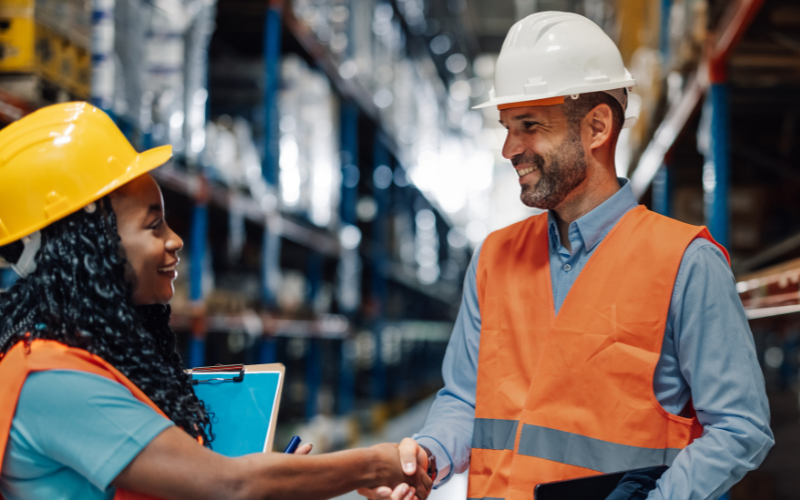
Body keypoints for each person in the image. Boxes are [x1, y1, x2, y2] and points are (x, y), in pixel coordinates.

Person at [360, 11, 774, 500]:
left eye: (529, 126)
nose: (510, 148)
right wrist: (426, 458)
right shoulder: (494, 258)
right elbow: (464, 399)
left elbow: (740, 427)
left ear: (597, 127)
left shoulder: (686, 262)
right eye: (507, 127)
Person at [0, 102, 431, 500]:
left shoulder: (88, 361)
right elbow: (229, 485)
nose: (175, 240)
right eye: (154, 226)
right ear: (85, 246)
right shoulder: (51, 379)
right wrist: (375, 464)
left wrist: (283, 482)